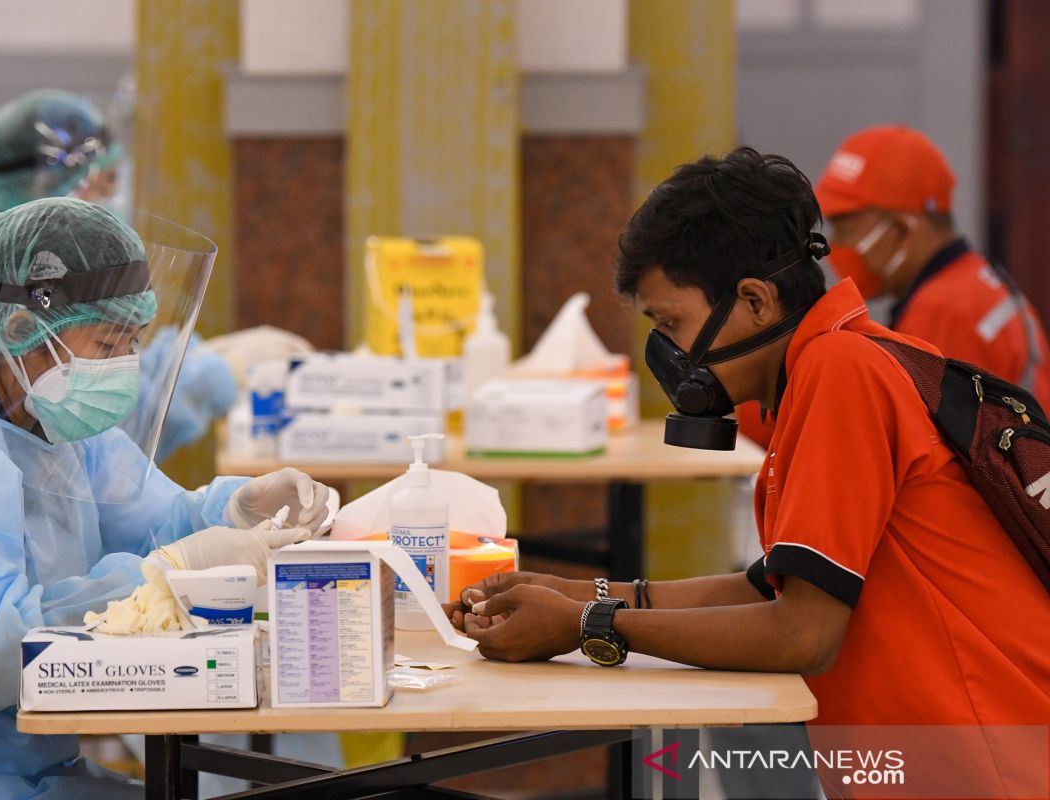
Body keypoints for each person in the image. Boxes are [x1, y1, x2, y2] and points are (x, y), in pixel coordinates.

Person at [449, 148, 1050, 793]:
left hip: (990, 767)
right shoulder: (842, 363)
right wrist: (572, 595)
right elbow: (769, 589)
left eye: (671, 323)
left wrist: (585, 627)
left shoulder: (842, 373)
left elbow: (803, 635)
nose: (669, 354)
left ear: (756, 301)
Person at [0, 198, 333, 799]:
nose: (124, 366)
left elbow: (152, 521)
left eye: (134, 341)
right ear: (23, 330)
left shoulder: (53, 422)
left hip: (28, 761)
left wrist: (235, 509)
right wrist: (170, 576)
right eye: (108, 346)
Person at [0, 88, 277, 462]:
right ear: (56, 193)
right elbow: (100, 430)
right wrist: (205, 381)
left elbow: (107, 475)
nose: (116, 195)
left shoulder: (45, 287)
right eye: (107, 182)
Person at [735, 125, 1050, 449]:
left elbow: (876, 440)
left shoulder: (942, 314)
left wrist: (749, 391)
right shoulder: (973, 286)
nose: (835, 247)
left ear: (900, 231)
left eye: (846, 232)